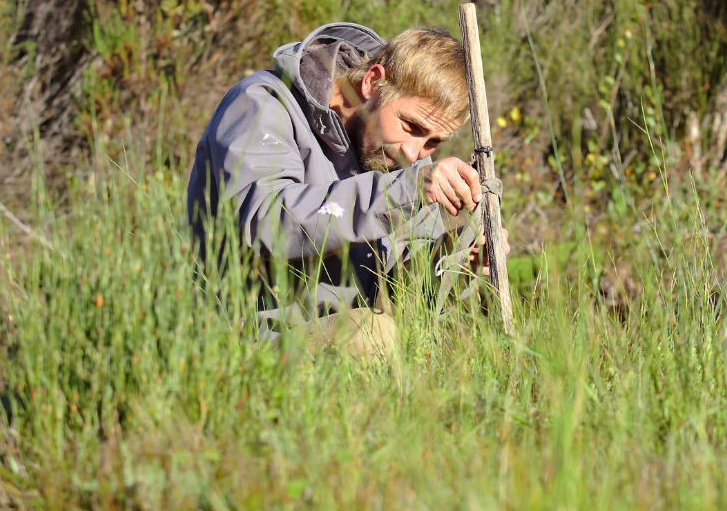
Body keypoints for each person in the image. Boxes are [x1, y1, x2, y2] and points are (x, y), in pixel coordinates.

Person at [187, 22, 508, 353]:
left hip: (349, 347)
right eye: (411, 126)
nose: (413, 153)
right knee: (375, 334)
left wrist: (453, 259)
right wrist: (400, 192)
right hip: (245, 346)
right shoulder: (262, 104)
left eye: (433, 142)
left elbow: (400, 295)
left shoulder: (404, 163)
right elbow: (267, 221)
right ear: (372, 82)